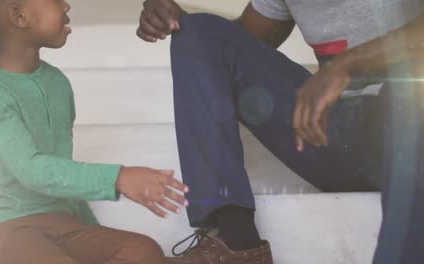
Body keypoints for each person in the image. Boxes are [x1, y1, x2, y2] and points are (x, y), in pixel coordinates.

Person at [137, 0, 424, 263]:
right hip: (336, 137)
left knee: (406, 92)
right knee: (200, 32)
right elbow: (234, 46)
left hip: (410, 130)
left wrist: (347, 64)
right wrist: (182, 28)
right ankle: (237, 242)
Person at [0, 0, 189, 263]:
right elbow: (32, 170)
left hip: (62, 223)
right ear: (19, 15)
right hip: (3, 230)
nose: (67, 6)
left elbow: (61, 167)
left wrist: (91, 231)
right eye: (55, 0)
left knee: (143, 251)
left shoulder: (58, 83)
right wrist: (118, 178)